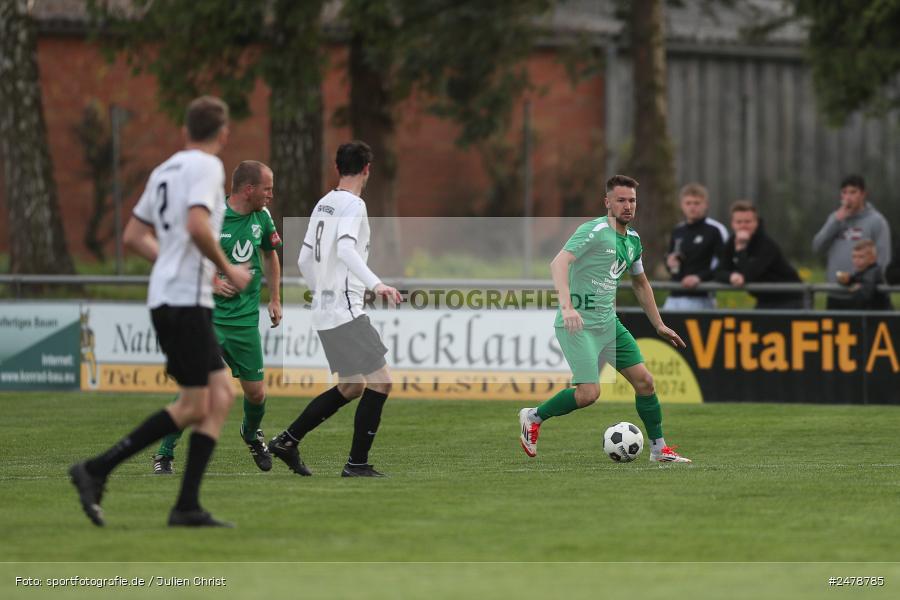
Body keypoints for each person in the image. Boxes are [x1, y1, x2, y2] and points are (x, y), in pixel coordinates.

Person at [69, 96, 251, 527]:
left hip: (172, 295)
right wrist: (225, 269)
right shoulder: (207, 167)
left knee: (221, 395)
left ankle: (187, 504)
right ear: (222, 135)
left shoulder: (164, 169)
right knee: (192, 405)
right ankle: (96, 469)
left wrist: (185, 268)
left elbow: (133, 235)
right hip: (184, 302)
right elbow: (195, 224)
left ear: (184, 130)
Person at [518, 174, 692, 464]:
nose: (627, 206)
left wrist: (659, 324)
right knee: (588, 393)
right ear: (607, 202)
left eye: (632, 200)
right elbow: (558, 263)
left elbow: (640, 283)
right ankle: (533, 417)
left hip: (608, 324)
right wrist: (568, 307)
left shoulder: (633, 240)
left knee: (645, 382)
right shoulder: (595, 230)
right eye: (621, 200)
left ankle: (659, 449)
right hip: (578, 324)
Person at [268, 141, 402, 478]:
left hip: (326, 310)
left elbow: (301, 259)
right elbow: (345, 249)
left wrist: (321, 292)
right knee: (381, 382)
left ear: (337, 167)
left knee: (351, 386)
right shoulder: (353, 205)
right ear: (367, 169)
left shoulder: (324, 203)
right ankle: (357, 464)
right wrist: (377, 284)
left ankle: (287, 440)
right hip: (345, 310)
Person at [152, 160, 283, 474]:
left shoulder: (262, 217)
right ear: (248, 189)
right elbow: (185, 255)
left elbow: (270, 255)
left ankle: (251, 434)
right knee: (198, 389)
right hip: (207, 319)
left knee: (257, 392)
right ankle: (164, 454)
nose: (271, 195)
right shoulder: (211, 217)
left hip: (245, 322)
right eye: (267, 188)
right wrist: (212, 281)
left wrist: (275, 298)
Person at [812, 174, 891, 309]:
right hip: (836, 292)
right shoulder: (835, 218)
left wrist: (870, 284)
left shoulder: (876, 221)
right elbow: (817, 247)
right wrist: (835, 221)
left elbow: (883, 258)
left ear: (863, 194)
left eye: (853, 192)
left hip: (862, 295)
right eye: (844, 192)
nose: (848, 197)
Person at [714, 201, 804, 309]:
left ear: (756, 222)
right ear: (732, 224)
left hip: (790, 298)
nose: (743, 226)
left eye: (747, 222)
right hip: (764, 300)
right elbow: (718, 271)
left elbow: (749, 276)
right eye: (739, 222)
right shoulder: (732, 242)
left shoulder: (767, 245)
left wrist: (741, 248)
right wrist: (731, 276)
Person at [662, 182, 729, 310]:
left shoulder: (715, 230)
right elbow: (671, 262)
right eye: (688, 203)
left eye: (697, 203)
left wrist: (699, 277)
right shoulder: (678, 231)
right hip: (674, 296)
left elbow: (724, 264)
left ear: (706, 205)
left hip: (702, 297)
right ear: (682, 205)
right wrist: (669, 262)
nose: (692, 207)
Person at [833, 240, 893, 310]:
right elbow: (857, 279)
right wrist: (847, 280)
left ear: (872, 259)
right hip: (871, 315)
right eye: (854, 256)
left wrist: (854, 289)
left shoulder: (874, 272)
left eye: (861, 257)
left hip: (879, 316)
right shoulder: (862, 271)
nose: (856, 260)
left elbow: (864, 294)